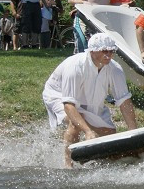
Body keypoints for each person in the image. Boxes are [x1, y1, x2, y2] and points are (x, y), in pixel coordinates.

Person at [42, 33, 138, 168]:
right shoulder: (74, 66)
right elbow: (69, 105)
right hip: (58, 95)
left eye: (111, 51)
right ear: (92, 51)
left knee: (108, 133)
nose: (108, 55)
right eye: (104, 51)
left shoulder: (115, 69)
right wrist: (88, 131)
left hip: (89, 99)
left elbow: (124, 101)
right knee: (76, 123)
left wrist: (133, 132)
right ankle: (68, 166)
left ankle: (99, 165)